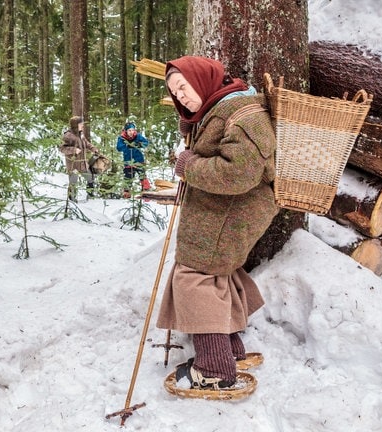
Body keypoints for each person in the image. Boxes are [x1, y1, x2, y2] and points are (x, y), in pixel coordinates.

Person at [156, 56, 279, 390]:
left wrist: (188, 166)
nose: (180, 95)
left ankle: (214, 368)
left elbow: (239, 173)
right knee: (216, 272)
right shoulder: (219, 107)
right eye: (173, 91)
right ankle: (229, 349)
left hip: (233, 211)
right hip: (221, 210)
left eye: (183, 86)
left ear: (203, 79)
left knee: (194, 276)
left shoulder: (242, 114)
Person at [58, 116, 99, 201]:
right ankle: (72, 200)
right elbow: (62, 148)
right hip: (74, 165)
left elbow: (86, 143)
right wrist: (73, 150)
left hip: (83, 164)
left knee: (90, 178)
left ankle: (91, 196)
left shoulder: (81, 134)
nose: (83, 125)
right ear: (75, 125)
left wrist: (93, 149)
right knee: (73, 182)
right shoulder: (68, 135)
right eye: (81, 123)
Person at [115, 121, 152, 197]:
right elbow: (118, 147)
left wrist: (139, 144)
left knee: (142, 175)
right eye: (129, 130)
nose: (131, 132)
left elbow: (146, 143)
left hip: (139, 159)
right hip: (128, 161)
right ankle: (126, 194)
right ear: (126, 131)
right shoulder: (122, 138)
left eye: (132, 130)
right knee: (128, 177)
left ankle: (146, 191)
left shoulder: (138, 136)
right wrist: (127, 146)